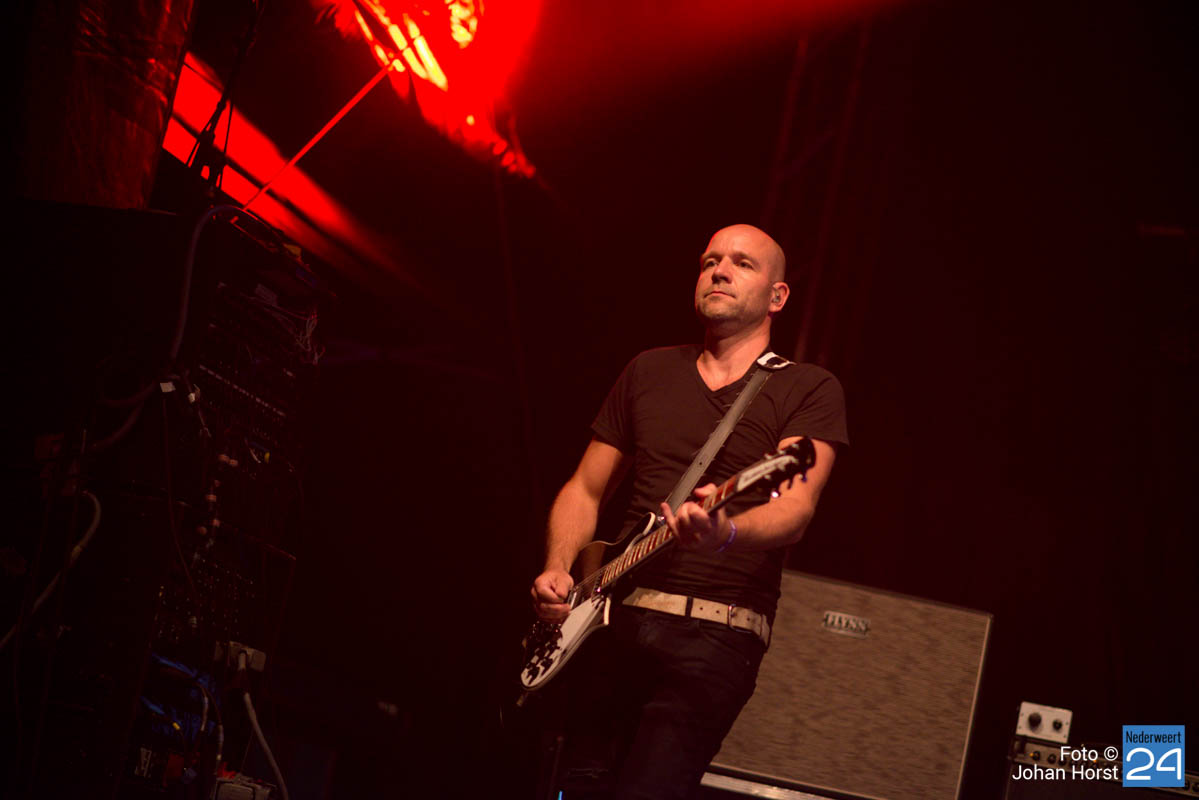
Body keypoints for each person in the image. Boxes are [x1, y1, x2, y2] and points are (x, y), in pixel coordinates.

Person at [529, 224, 848, 799]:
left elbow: (796, 509)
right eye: (710, 261)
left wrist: (726, 531)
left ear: (777, 296)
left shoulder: (809, 388)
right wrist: (558, 565)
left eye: (743, 263)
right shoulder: (647, 371)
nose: (719, 270)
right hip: (610, 623)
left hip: (715, 636)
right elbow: (584, 489)